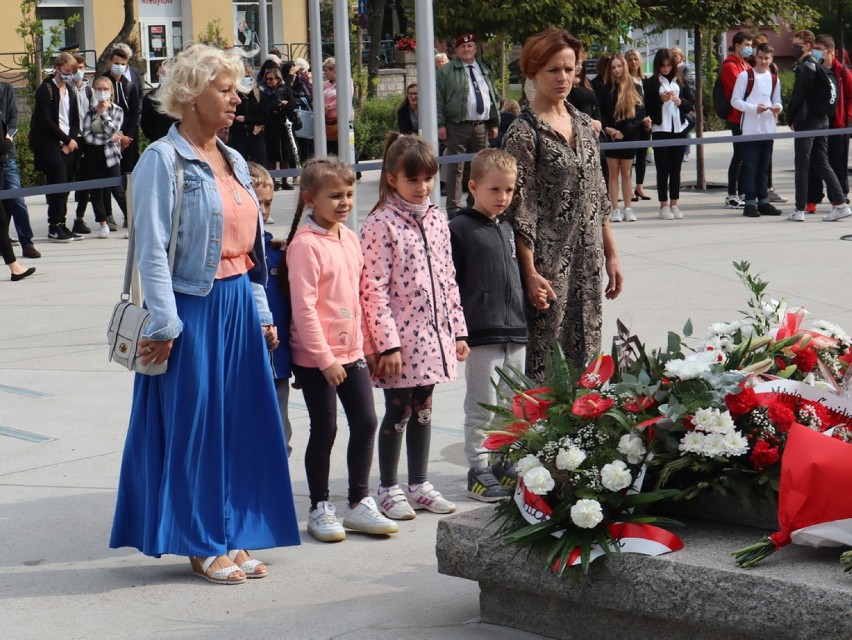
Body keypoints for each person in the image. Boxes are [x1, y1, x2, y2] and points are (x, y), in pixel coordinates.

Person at [109, 43, 300, 585]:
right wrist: (166, 324)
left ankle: (232, 531)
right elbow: (151, 250)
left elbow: (252, 246)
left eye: (236, 89)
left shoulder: (235, 159)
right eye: (224, 90)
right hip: (192, 307)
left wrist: (262, 311)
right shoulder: (160, 160)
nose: (237, 99)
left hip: (238, 302)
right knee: (196, 427)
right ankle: (200, 541)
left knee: (239, 426)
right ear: (191, 96)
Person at [284, 156, 399, 542]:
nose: (345, 202)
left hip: (352, 355)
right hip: (317, 357)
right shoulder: (305, 246)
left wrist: (368, 348)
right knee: (326, 427)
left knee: (366, 421)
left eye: (349, 194)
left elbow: (360, 300)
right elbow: (304, 308)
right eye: (335, 196)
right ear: (310, 199)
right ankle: (320, 506)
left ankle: (358, 503)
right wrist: (324, 359)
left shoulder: (349, 239)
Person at [502, 28, 623, 378]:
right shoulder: (523, 134)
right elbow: (519, 212)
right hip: (549, 269)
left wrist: (611, 254)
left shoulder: (584, 125)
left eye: (569, 69)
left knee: (587, 360)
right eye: (553, 70)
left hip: (588, 263)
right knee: (547, 364)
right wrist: (529, 273)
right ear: (533, 72)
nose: (563, 78)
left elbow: (597, 197)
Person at [360, 133, 469, 520]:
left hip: (433, 337)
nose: (421, 188)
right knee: (398, 411)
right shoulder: (380, 224)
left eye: (427, 179)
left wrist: (458, 329)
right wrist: (386, 344)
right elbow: (371, 289)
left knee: (424, 408)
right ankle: (388, 486)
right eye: (413, 180)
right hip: (400, 342)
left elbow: (448, 277)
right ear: (392, 179)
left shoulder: (438, 219)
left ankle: (418, 483)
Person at [449, 148, 525, 502]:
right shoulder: (460, 229)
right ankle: (478, 468)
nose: (503, 197)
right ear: (474, 186)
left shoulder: (508, 226)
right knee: (482, 402)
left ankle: (502, 460)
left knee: (512, 403)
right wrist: (459, 331)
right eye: (495, 190)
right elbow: (452, 285)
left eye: (508, 190)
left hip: (514, 330)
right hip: (481, 333)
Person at [250, 162, 293, 454]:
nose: (263, 211)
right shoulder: (229, 256)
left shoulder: (279, 253)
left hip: (278, 362)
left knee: (279, 435)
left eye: (268, 203)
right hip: (244, 363)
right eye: (257, 202)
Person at [787, 30, 851, 222]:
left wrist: (790, 117)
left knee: (802, 164)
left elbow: (798, 96)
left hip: (807, 122)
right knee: (822, 162)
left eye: (797, 43)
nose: (793, 47)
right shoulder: (819, 66)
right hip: (822, 120)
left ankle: (799, 209)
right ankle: (840, 204)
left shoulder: (806, 67)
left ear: (807, 45)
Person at [436, 33, 500, 217]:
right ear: (457, 50)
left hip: (481, 126)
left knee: (480, 167)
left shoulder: (484, 68)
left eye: (470, 46)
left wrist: (494, 122)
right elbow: (439, 99)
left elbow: (492, 95)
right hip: (457, 124)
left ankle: (475, 205)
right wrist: (440, 124)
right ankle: (454, 209)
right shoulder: (446, 71)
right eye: (463, 47)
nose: (467, 49)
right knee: (456, 167)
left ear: (475, 48)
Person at [30, 51, 81, 243]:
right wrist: (66, 140)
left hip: (68, 144)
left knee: (66, 184)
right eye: (66, 71)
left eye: (72, 72)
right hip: (51, 144)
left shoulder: (71, 91)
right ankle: (54, 225)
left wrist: (72, 140)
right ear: (58, 68)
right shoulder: (46, 89)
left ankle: (62, 223)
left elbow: (75, 119)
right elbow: (45, 120)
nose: (69, 75)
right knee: (58, 182)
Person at [730, 43, 783, 218]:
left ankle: (764, 202)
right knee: (751, 167)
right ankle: (750, 203)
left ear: (771, 59)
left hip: (768, 129)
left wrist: (777, 108)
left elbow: (777, 100)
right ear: (756, 57)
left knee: (764, 168)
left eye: (766, 58)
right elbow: (735, 101)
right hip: (750, 129)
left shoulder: (774, 79)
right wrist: (754, 108)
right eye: (760, 57)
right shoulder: (745, 76)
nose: (763, 61)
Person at [644, 48, 695, 220]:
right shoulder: (651, 83)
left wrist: (681, 102)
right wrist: (660, 100)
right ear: (657, 66)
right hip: (661, 130)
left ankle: (674, 204)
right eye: (662, 66)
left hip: (678, 129)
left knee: (676, 169)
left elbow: (691, 103)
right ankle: (663, 205)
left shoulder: (680, 81)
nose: (665, 69)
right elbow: (647, 106)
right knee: (662, 169)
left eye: (668, 66)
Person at [600, 53, 647, 223]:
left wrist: (624, 132)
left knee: (626, 173)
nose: (617, 69)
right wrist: (609, 129)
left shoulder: (635, 87)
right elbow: (602, 113)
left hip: (629, 135)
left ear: (624, 67)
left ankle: (628, 208)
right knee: (613, 173)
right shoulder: (606, 88)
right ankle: (614, 209)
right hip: (612, 136)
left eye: (619, 66)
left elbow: (639, 114)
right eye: (613, 67)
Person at [807, 34, 852, 211]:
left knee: (837, 163)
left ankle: (839, 198)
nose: (815, 53)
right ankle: (812, 199)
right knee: (814, 162)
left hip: (838, 124)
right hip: (817, 122)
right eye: (814, 49)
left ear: (831, 51)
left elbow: (850, 97)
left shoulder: (842, 72)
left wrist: (848, 118)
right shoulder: (812, 69)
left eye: (818, 50)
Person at [80, 75, 128, 238]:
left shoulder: (117, 110)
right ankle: (103, 223)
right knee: (96, 192)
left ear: (111, 91)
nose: (102, 92)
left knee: (118, 190)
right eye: (99, 89)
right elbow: (87, 135)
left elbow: (113, 129)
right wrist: (108, 139)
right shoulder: (89, 112)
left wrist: (104, 113)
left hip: (111, 156)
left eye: (105, 89)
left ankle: (131, 220)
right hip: (93, 156)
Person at [0, 80, 40, 258]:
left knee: (16, 199)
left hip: (6, 155)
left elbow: (13, 118)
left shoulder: (5, 88)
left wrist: (8, 140)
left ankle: (27, 242)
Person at [720, 31, 753, 209]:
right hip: (736, 117)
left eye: (750, 45)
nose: (749, 48)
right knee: (738, 155)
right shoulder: (730, 66)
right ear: (737, 46)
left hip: (748, 116)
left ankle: (742, 192)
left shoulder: (744, 65)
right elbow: (743, 89)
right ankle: (732, 194)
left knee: (745, 156)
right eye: (747, 45)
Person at [103, 46, 141, 176]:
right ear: (110, 63)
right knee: (109, 173)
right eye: (116, 63)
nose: (119, 66)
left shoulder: (129, 85)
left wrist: (127, 136)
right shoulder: (103, 83)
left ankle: (127, 196)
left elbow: (134, 112)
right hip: (109, 136)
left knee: (128, 171)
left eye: (123, 64)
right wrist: (117, 136)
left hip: (128, 137)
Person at [71, 52, 95, 235]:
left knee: (86, 181)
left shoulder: (89, 89)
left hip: (86, 139)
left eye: (81, 68)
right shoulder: (66, 88)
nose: (79, 71)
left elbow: (94, 112)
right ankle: (57, 221)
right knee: (65, 180)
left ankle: (79, 218)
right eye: (75, 68)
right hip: (71, 139)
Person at [261, 66, 295, 189]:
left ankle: (285, 181)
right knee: (272, 155)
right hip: (270, 126)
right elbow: (266, 107)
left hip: (284, 125)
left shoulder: (285, 90)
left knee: (285, 154)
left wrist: (279, 110)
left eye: (271, 79)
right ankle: (273, 181)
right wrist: (278, 105)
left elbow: (291, 105)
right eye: (267, 79)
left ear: (278, 79)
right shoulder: (264, 92)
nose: (269, 81)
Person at [625, 49, 652, 201]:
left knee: (642, 156)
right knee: (630, 158)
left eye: (635, 59)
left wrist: (649, 119)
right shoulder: (625, 81)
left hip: (646, 123)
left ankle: (639, 187)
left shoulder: (646, 80)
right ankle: (628, 190)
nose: (633, 62)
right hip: (632, 122)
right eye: (630, 60)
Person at [230, 63, 269, 166]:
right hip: (239, 137)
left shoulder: (259, 95)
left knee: (260, 166)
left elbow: (265, 118)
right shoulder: (234, 96)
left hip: (256, 138)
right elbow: (231, 119)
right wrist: (250, 127)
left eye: (247, 76)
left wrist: (245, 118)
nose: (245, 79)